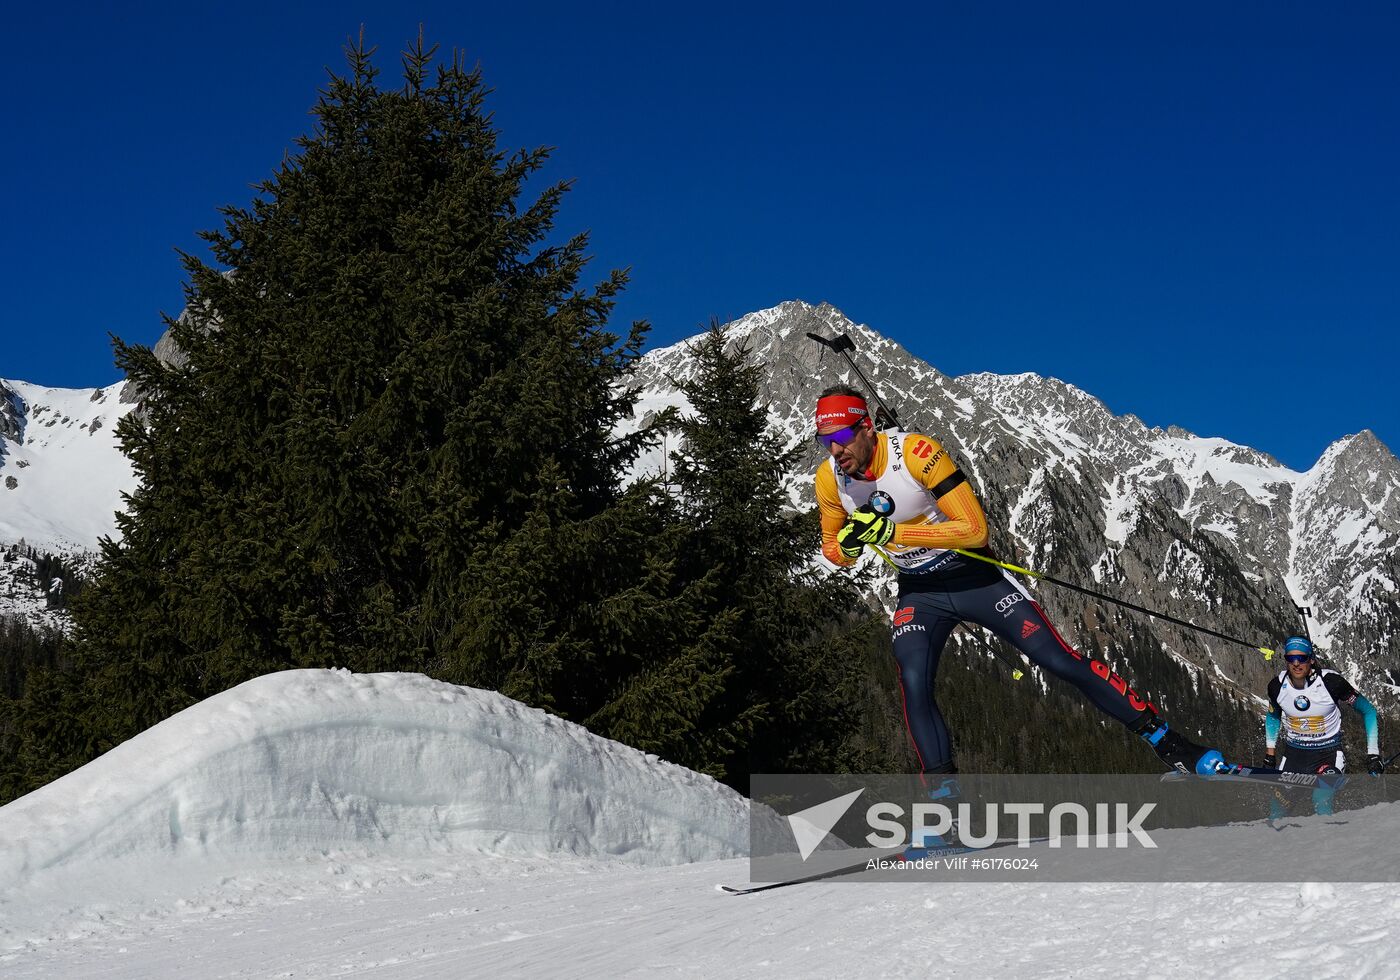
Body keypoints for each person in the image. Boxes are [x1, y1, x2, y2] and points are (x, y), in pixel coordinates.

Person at [812, 384, 1224, 787]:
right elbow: (834, 549)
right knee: (914, 682)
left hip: (975, 579)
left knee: (1058, 660)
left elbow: (974, 530)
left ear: (867, 427)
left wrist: (895, 533)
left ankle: (1170, 743)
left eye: (843, 437)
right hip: (921, 593)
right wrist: (850, 546)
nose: (836, 450)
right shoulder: (830, 479)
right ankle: (945, 811)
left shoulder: (917, 453)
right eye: (825, 441)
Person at [1263, 635, 1383, 815]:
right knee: (1277, 811)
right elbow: (1273, 716)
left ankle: (1330, 841)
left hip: (1328, 755)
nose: (1296, 663)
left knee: (1321, 799)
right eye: (1291, 658)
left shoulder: (1331, 682)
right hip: (1294, 757)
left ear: (1311, 659)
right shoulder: (1276, 686)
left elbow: (1369, 711)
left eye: (1302, 658)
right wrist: (1269, 755)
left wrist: (1373, 755)